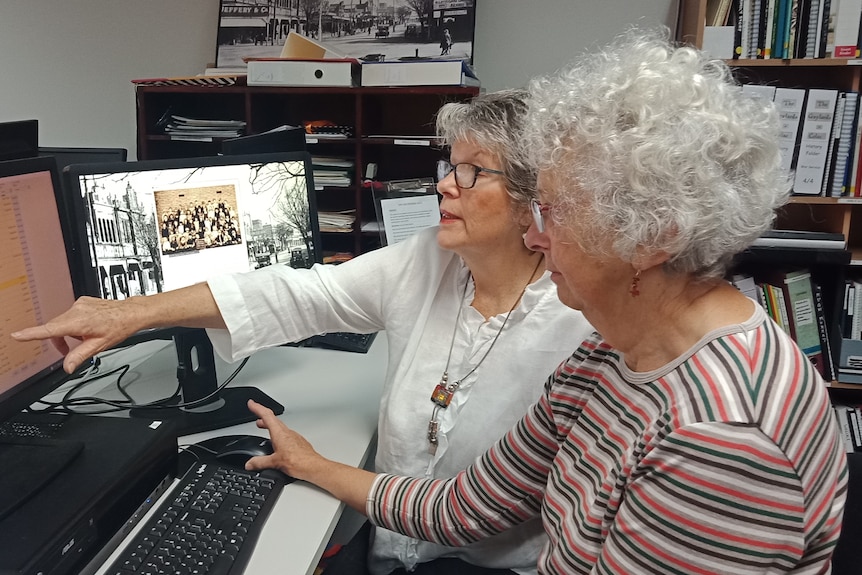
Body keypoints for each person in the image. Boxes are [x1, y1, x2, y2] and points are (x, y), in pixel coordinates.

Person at [235, 29, 849, 574]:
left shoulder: (721, 440)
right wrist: (313, 466)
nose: (533, 236)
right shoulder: (611, 355)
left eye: (552, 212)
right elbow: (465, 506)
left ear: (652, 236)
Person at [11, 90, 594, 575]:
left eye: (471, 172)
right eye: (448, 167)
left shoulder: (581, 319)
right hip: (390, 546)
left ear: (531, 202)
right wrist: (133, 312)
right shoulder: (426, 262)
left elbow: (490, 510)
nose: (444, 185)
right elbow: (298, 294)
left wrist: (316, 467)